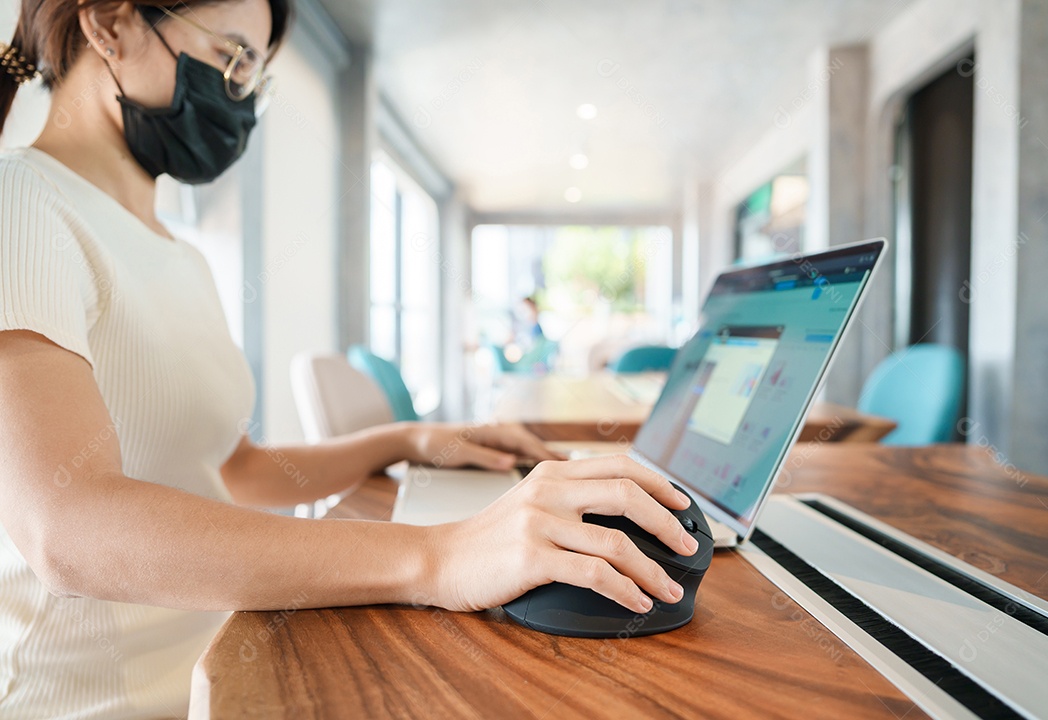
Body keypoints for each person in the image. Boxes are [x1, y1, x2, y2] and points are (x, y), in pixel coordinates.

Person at [0, 1, 699, 717]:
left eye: (254, 76)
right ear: (110, 23)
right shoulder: (22, 200)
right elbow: (66, 528)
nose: (240, 96)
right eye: (233, 58)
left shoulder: (184, 260)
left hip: (230, 663)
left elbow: (232, 469)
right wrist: (438, 555)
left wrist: (409, 439)